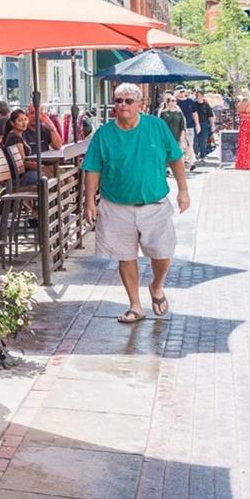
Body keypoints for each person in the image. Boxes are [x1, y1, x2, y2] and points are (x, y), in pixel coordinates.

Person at [82, 83, 189, 325]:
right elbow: (92, 168)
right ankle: (135, 305)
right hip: (116, 204)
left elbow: (175, 157)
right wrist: (89, 201)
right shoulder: (104, 134)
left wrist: (183, 190)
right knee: (125, 255)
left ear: (139, 104)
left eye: (128, 101)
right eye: (118, 101)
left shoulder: (156, 126)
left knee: (162, 253)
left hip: (154, 203)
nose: (122, 105)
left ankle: (156, 286)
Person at [234, 93, 250, 170]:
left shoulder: (239, 104)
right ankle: (248, 163)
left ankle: (241, 163)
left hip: (242, 126)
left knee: (242, 144)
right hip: (249, 126)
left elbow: (238, 112)